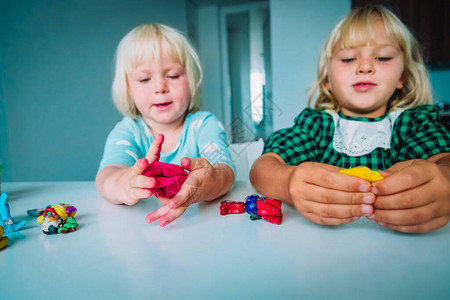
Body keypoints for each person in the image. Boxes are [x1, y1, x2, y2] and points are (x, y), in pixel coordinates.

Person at [250, 5, 450, 233]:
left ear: (402, 77)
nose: (365, 67)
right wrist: (288, 182)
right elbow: (262, 168)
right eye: (348, 59)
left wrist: (444, 181)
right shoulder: (317, 126)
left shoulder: (414, 124)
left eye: (382, 57)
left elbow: (445, 160)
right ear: (327, 81)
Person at [96, 24, 235, 227]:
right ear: (128, 89)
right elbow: (106, 176)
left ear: (191, 80)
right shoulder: (128, 131)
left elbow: (225, 172)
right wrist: (123, 183)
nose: (160, 87)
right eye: (144, 79)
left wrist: (208, 183)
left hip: (203, 229)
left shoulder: (204, 125)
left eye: (173, 76)